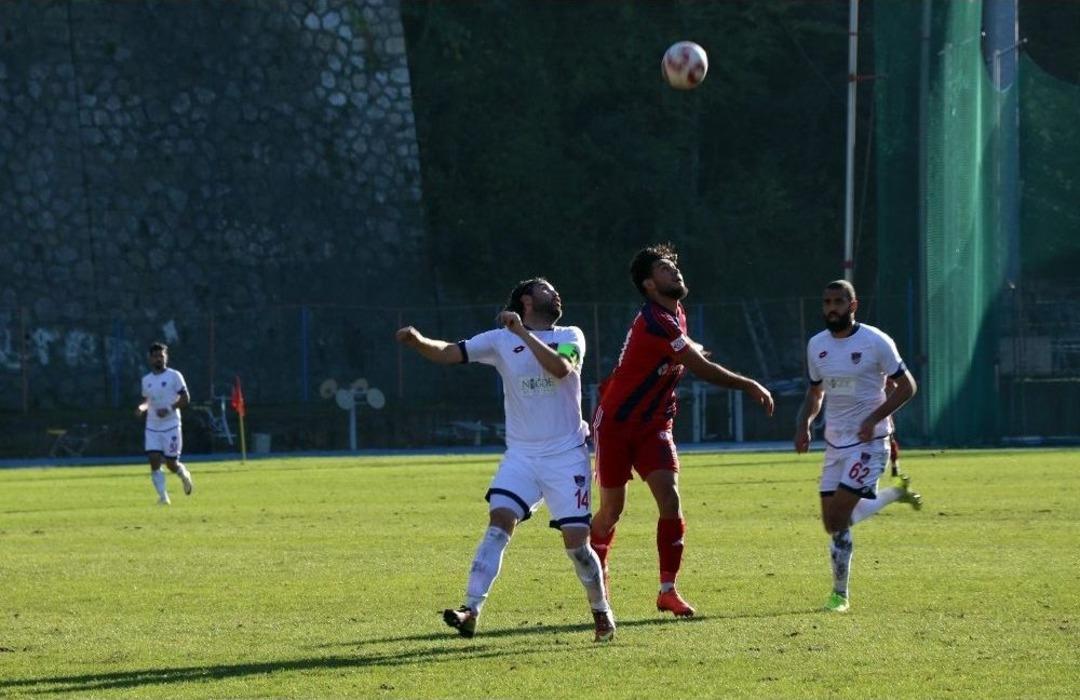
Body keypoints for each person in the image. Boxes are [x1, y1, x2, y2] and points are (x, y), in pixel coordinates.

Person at [395, 278, 615, 642]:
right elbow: (449, 352)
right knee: (499, 522)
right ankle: (470, 609)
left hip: (566, 455)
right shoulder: (499, 340)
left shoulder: (571, 334)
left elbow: (561, 369)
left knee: (577, 544)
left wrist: (522, 334)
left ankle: (601, 612)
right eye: (546, 289)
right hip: (522, 455)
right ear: (527, 299)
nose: (555, 293)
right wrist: (418, 342)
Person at [590, 243, 774, 617]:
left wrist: (691, 348)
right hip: (617, 424)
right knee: (612, 510)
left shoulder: (676, 314)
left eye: (674, 266)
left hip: (655, 423)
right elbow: (697, 366)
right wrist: (748, 384)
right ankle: (596, 571)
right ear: (648, 285)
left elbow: (683, 349)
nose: (674, 271)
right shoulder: (654, 321)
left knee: (670, 498)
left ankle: (667, 590)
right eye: (663, 268)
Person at [794, 280, 922, 613]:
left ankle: (840, 596)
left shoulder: (876, 341)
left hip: (871, 442)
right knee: (831, 523)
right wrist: (804, 423)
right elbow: (816, 392)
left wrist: (874, 419)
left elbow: (907, 386)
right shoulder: (816, 345)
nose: (831, 308)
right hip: (835, 443)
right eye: (826, 302)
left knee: (839, 517)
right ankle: (895, 494)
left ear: (853, 305)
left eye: (838, 301)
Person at [136, 342, 193, 505]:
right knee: (153, 460)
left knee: (171, 464)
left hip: (171, 425)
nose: (158, 359)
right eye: (155, 356)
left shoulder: (174, 376)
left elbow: (185, 398)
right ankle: (163, 497)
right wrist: (141, 408)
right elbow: (148, 401)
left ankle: (184, 475)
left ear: (165, 357)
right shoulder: (146, 380)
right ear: (150, 359)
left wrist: (168, 409)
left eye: (161, 356)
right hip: (152, 426)